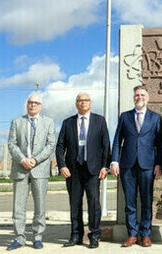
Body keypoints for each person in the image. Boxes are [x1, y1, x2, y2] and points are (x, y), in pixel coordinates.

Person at [110, 85, 162, 247]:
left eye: (142, 94)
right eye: (136, 95)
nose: (139, 97)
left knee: (147, 201)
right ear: (133, 97)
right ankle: (132, 234)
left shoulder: (155, 118)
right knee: (130, 202)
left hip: (148, 165)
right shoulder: (125, 116)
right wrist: (114, 161)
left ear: (147, 97)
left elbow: (160, 144)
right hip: (127, 165)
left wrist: (159, 164)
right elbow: (117, 140)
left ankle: (145, 234)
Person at [55, 92, 111, 249]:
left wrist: (105, 166)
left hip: (93, 170)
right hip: (73, 170)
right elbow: (60, 146)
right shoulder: (68, 122)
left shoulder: (99, 121)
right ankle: (75, 235)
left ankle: (94, 235)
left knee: (94, 203)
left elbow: (106, 145)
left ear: (91, 103)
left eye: (86, 100)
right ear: (76, 104)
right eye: (80, 100)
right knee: (75, 204)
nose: (83, 103)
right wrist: (62, 166)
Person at [6, 93, 56, 250]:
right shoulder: (17, 122)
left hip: (39, 169)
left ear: (41, 106)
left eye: (36, 103)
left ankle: (37, 237)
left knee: (40, 206)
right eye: (30, 102)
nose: (32, 105)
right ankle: (19, 237)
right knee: (18, 206)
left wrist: (35, 160)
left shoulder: (48, 122)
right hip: (20, 169)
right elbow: (12, 144)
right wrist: (22, 160)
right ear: (26, 104)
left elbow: (50, 144)